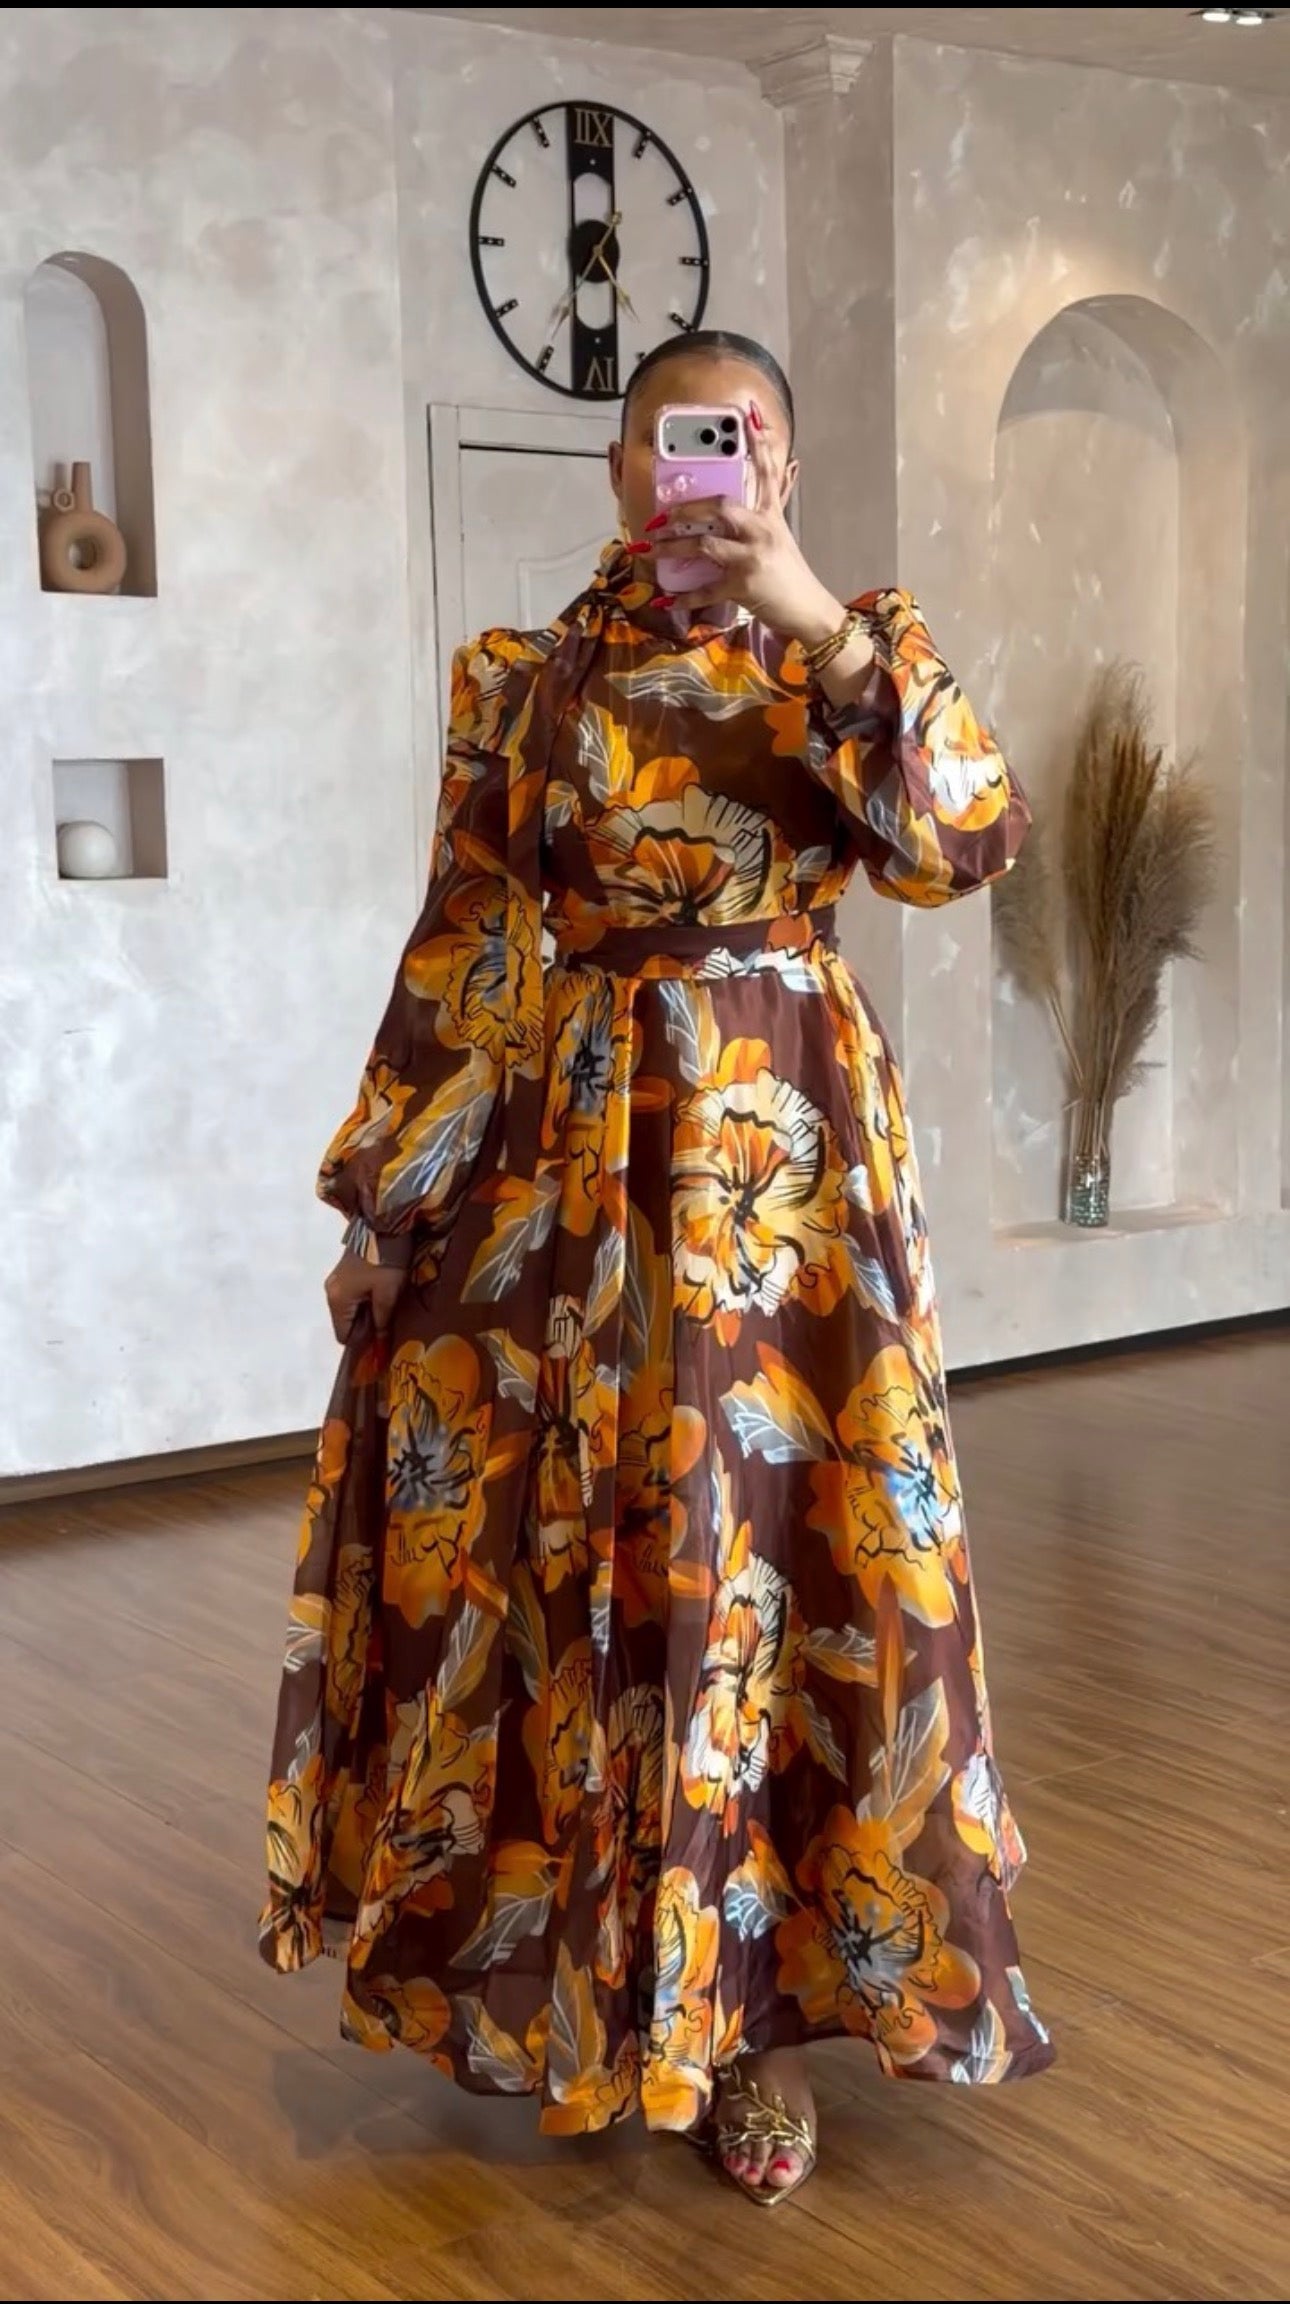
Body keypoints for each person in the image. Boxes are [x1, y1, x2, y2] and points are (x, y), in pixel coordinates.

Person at [261, 329, 1053, 2208]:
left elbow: (967, 843)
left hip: (791, 1181)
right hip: (576, 1167)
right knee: (589, 1563)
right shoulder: (521, 679)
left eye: (740, 440)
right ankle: (611, 1999)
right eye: (669, 441)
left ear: (780, 467)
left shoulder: (843, 656)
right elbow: (465, 944)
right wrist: (385, 1206)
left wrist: (820, 618)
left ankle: (752, 2028)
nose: (702, 470)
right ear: (621, 470)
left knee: (777, 1559)